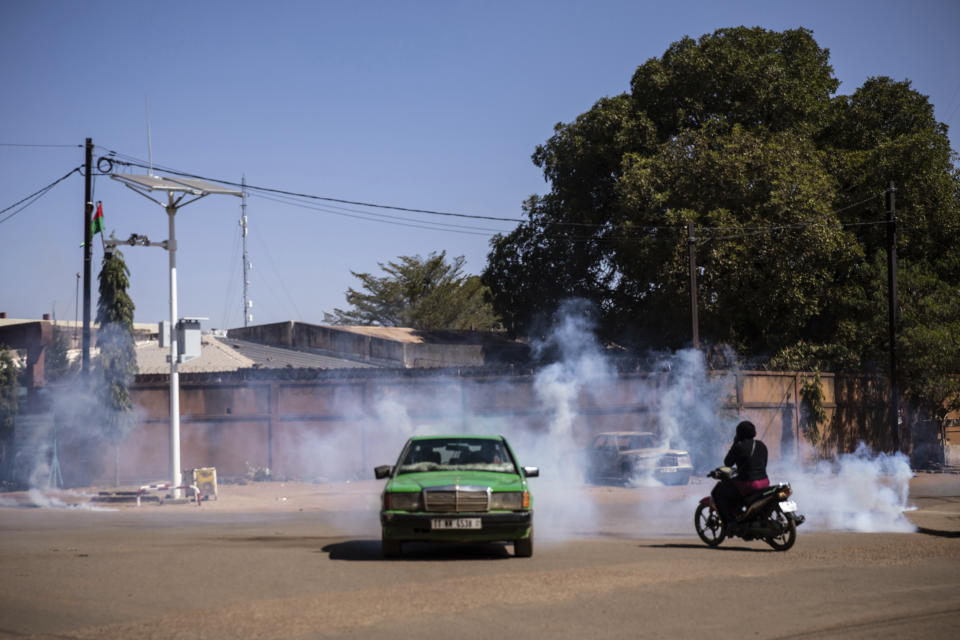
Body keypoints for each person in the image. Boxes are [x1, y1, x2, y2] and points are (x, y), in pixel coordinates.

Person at [711, 420, 769, 536]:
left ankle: (732, 524)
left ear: (740, 433)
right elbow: (763, 464)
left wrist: (735, 443)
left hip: (748, 484)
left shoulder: (739, 446)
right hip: (764, 481)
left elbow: (727, 462)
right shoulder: (762, 445)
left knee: (719, 492)